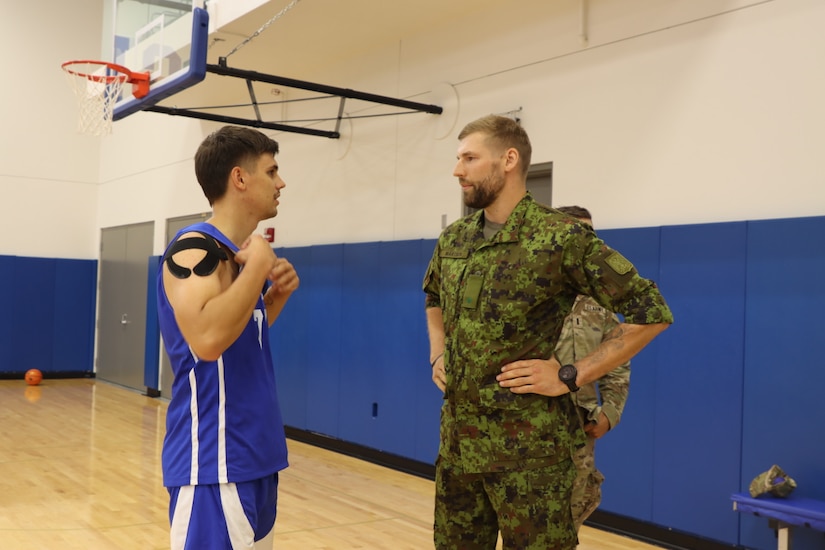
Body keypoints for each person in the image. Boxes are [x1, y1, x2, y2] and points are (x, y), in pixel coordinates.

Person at [422, 114, 673, 550]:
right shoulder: (455, 239)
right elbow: (433, 297)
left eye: (469, 158)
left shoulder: (561, 238)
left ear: (509, 160)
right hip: (459, 451)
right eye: (457, 159)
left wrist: (572, 374)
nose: (457, 170)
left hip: (530, 458)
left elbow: (651, 312)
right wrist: (438, 353)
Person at [157, 125, 299, 550]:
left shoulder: (234, 253)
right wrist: (257, 268)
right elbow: (205, 341)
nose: (281, 182)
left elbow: (234, 338)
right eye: (271, 171)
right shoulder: (194, 249)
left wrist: (275, 298)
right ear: (240, 178)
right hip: (214, 464)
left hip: (256, 459)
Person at [554, 205, 631, 532]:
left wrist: (610, 412)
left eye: (590, 234)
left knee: (569, 521)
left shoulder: (600, 299)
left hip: (579, 429)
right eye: (575, 233)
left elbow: (618, 357)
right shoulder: (528, 294)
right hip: (528, 428)